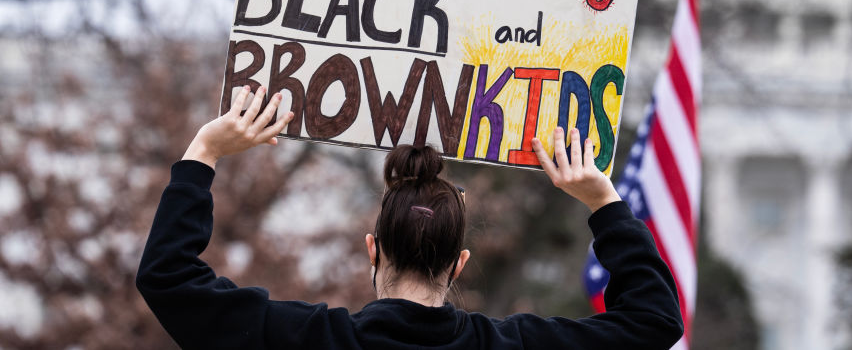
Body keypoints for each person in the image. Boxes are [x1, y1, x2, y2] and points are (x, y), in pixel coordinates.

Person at [137, 84, 684, 349]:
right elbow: (655, 320)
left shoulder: (305, 340)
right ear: (459, 263)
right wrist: (602, 203)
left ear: (373, 248)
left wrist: (203, 153)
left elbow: (167, 279)